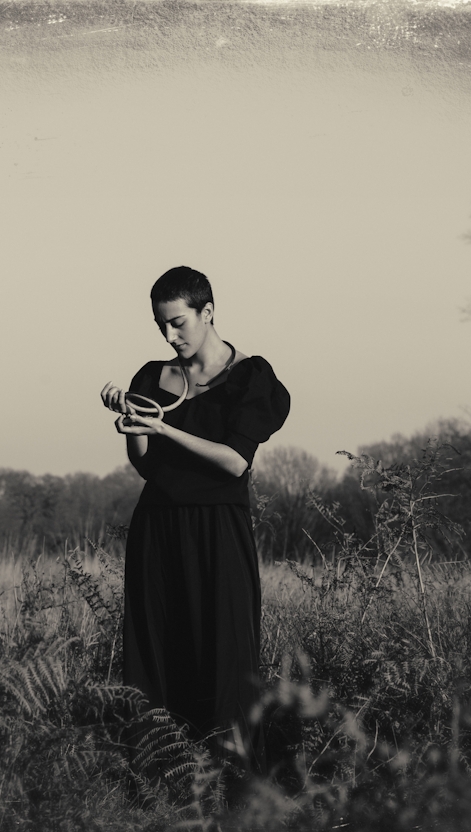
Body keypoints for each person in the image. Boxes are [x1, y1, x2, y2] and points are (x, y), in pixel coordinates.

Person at [100, 266, 290, 767]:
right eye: (161, 324)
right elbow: (145, 464)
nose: (170, 335)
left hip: (219, 531)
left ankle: (234, 785)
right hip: (157, 528)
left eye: (179, 322)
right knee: (158, 651)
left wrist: (165, 431)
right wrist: (132, 424)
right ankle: (162, 778)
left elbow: (234, 461)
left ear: (208, 312)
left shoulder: (252, 377)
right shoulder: (151, 376)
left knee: (226, 654)